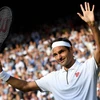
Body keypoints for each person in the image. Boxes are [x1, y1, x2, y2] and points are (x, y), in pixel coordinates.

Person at [0, 2, 100, 100]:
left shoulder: (88, 68)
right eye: (55, 54)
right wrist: (2, 73)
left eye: (61, 52)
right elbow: (25, 86)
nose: (59, 57)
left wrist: (93, 25)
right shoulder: (53, 78)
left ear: (71, 50)